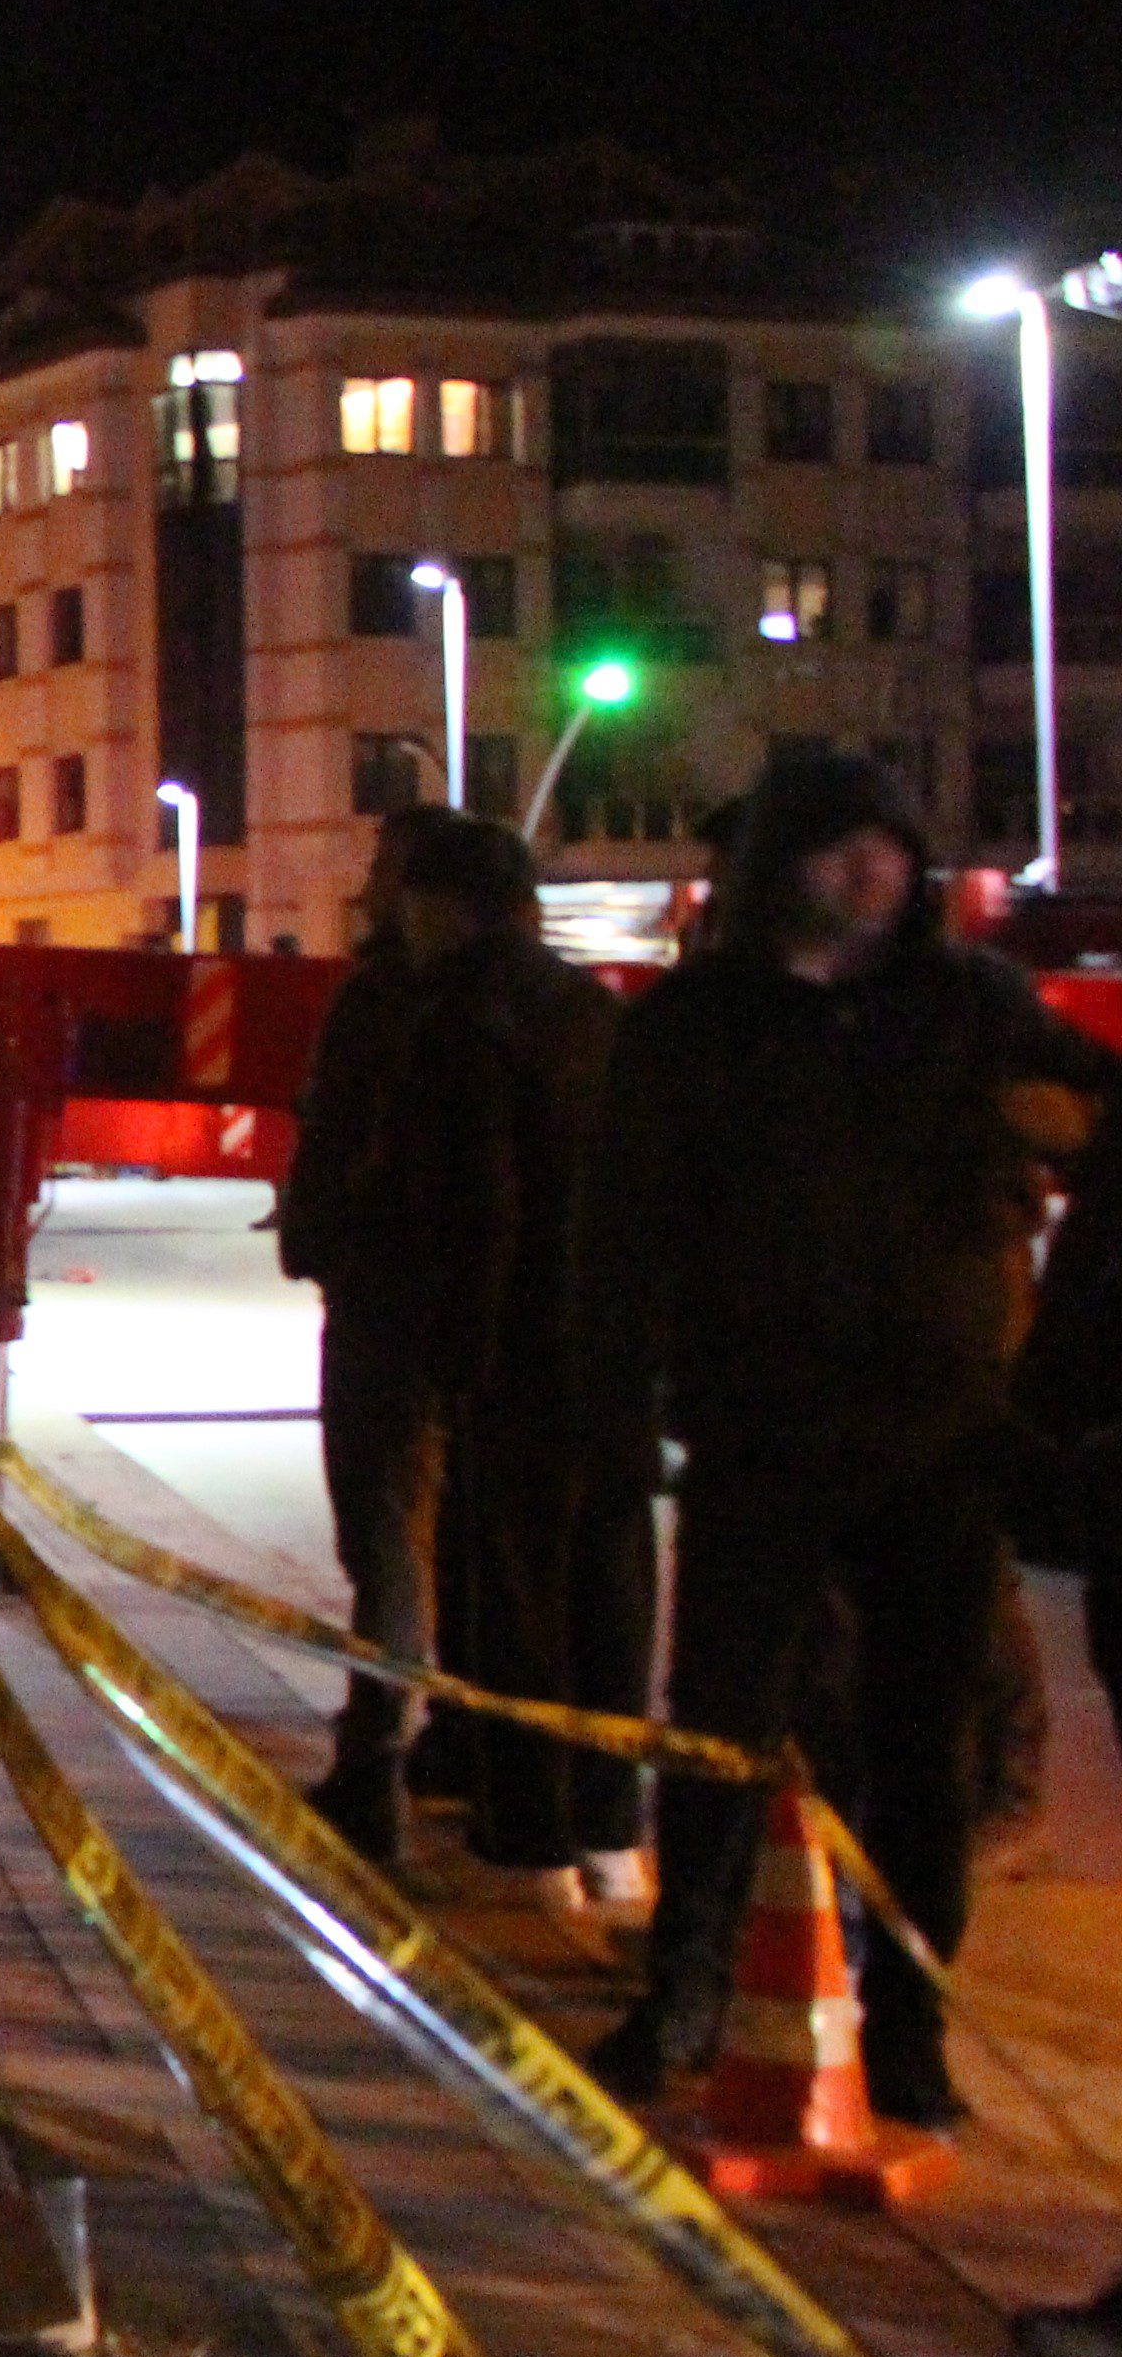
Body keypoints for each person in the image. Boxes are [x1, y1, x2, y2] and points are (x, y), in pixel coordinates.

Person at [570, 753, 1109, 2120]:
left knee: (921, 1749)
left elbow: (1099, 1113)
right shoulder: (697, 1024)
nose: (870, 870)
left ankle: (910, 2026)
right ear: (777, 873)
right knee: (720, 1734)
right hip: (758, 1426)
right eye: (836, 847)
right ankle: (682, 1992)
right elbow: (622, 1229)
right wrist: (617, 1404)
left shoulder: (967, 1007)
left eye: (890, 844)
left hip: (938, 1437)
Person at [372, 810, 646, 1902]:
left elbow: (477, 1205)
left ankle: (528, 1839)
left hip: (514, 1353)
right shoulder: (594, 1012)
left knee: (511, 1594)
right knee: (611, 1587)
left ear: (441, 907)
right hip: (611, 1349)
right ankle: (611, 1828)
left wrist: (460, 1354)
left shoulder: (457, 1020)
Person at [282, 811, 440, 1859]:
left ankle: (376, 1756)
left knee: (383, 1536)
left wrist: (316, 1241)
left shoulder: (387, 1002)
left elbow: (334, 1131)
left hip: (393, 1303)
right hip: (488, 1323)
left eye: (387, 869)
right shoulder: (552, 1006)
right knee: (453, 1544)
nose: (371, 884)